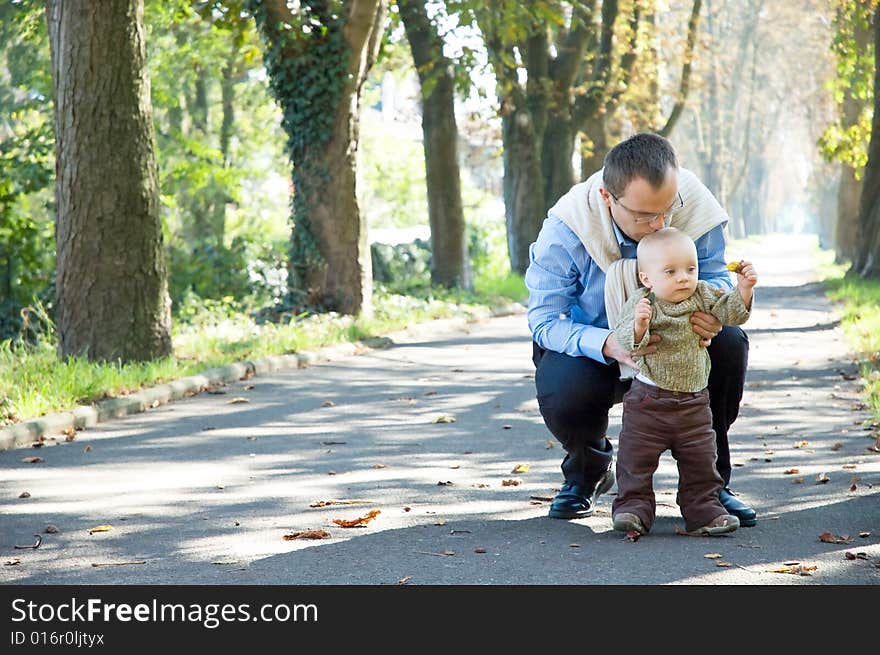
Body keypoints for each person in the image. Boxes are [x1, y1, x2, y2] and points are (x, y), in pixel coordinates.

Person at [525, 132, 756, 526]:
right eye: (643, 215)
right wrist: (608, 343)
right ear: (606, 197)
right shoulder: (567, 229)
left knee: (730, 343)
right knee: (563, 378)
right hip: (602, 352)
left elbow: (716, 275)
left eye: (666, 211)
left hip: (681, 347)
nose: (658, 225)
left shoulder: (696, 208)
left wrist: (714, 314)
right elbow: (545, 320)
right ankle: (589, 469)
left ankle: (711, 487)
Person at [610, 227, 756, 536]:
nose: (683, 278)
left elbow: (731, 313)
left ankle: (704, 510)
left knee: (702, 462)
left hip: (693, 404)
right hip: (648, 403)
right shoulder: (643, 303)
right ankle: (633, 508)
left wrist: (743, 289)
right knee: (635, 460)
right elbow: (626, 341)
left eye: (690, 269)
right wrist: (639, 326)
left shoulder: (702, 294)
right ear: (647, 278)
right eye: (671, 271)